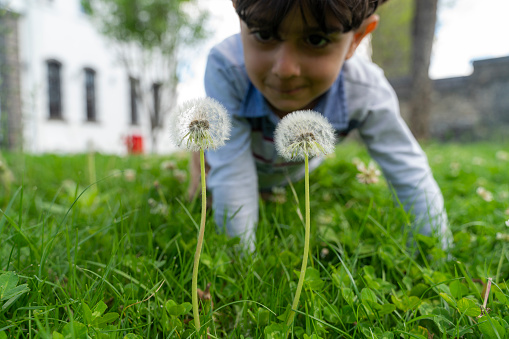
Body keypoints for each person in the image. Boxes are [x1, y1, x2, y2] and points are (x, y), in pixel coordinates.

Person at [191, 0, 450, 251]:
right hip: (221, 159)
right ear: (238, 12)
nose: (285, 69)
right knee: (203, 194)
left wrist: (437, 255)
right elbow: (232, 171)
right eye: (264, 34)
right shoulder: (226, 67)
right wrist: (240, 262)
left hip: (290, 173)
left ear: (357, 38)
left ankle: (266, 192)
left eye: (316, 40)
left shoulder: (365, 91)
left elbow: (408, 170)